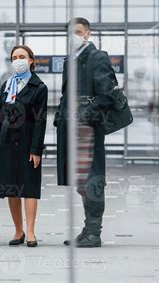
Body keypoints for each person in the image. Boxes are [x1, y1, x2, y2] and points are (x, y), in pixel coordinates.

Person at [54, 17, 117, 248]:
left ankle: (94, 232)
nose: (74, 36)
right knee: (81, 180)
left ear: (88, 33)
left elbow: (107, 95)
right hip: (70, 127)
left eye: (78, 32)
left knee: (92, 178)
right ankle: (88, 229)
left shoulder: (97, 57)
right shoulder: (70, 60)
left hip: (87, 128)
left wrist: (83, 116)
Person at [0, 45, 48, 247]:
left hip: (27, 144)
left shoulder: (39, 87)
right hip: (6, 144)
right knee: (11, 189)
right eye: (14, 57)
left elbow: (41, 121)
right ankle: (18, 231)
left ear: (31, 60)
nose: (18, 60)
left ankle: (31, 232)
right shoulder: (8, 85)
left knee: (29, 188)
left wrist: (36, 150)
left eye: (22, 56)